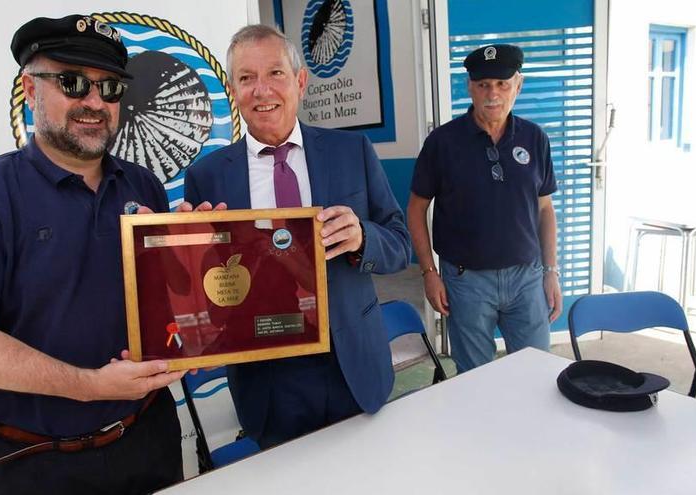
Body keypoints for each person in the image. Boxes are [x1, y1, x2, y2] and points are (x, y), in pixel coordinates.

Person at [0, 15, 187, 494]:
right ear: (30, 87)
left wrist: (198, 248)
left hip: (151, 439)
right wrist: (91, 386)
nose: (93, 102)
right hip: (38, 464)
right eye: (72, 82)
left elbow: (162, 306)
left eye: (108, 88)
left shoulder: (143, 186)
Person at [181, 24, 411, 448]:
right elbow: (204, 287)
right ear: (233, 91)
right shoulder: (207, 178)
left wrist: (363, 237)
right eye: (246, 78)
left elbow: (400, 243)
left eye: (275, 74)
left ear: (300, 81)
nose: (261, 90)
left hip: (352, 363)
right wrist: (187, 256)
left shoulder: (351, 150)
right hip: (269, 380)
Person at [408, 44, 562, 375]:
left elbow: (545, 209)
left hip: (526, 278)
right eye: (483, 85)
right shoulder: (442, 142)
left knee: (537, 373)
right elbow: (416, 209)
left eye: (502, 84)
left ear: (518, 85)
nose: (492, 94)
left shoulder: (535, 139)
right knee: (475, 379)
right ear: (470, 88)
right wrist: (428, 273)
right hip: (466, 282)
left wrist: (551, 271)